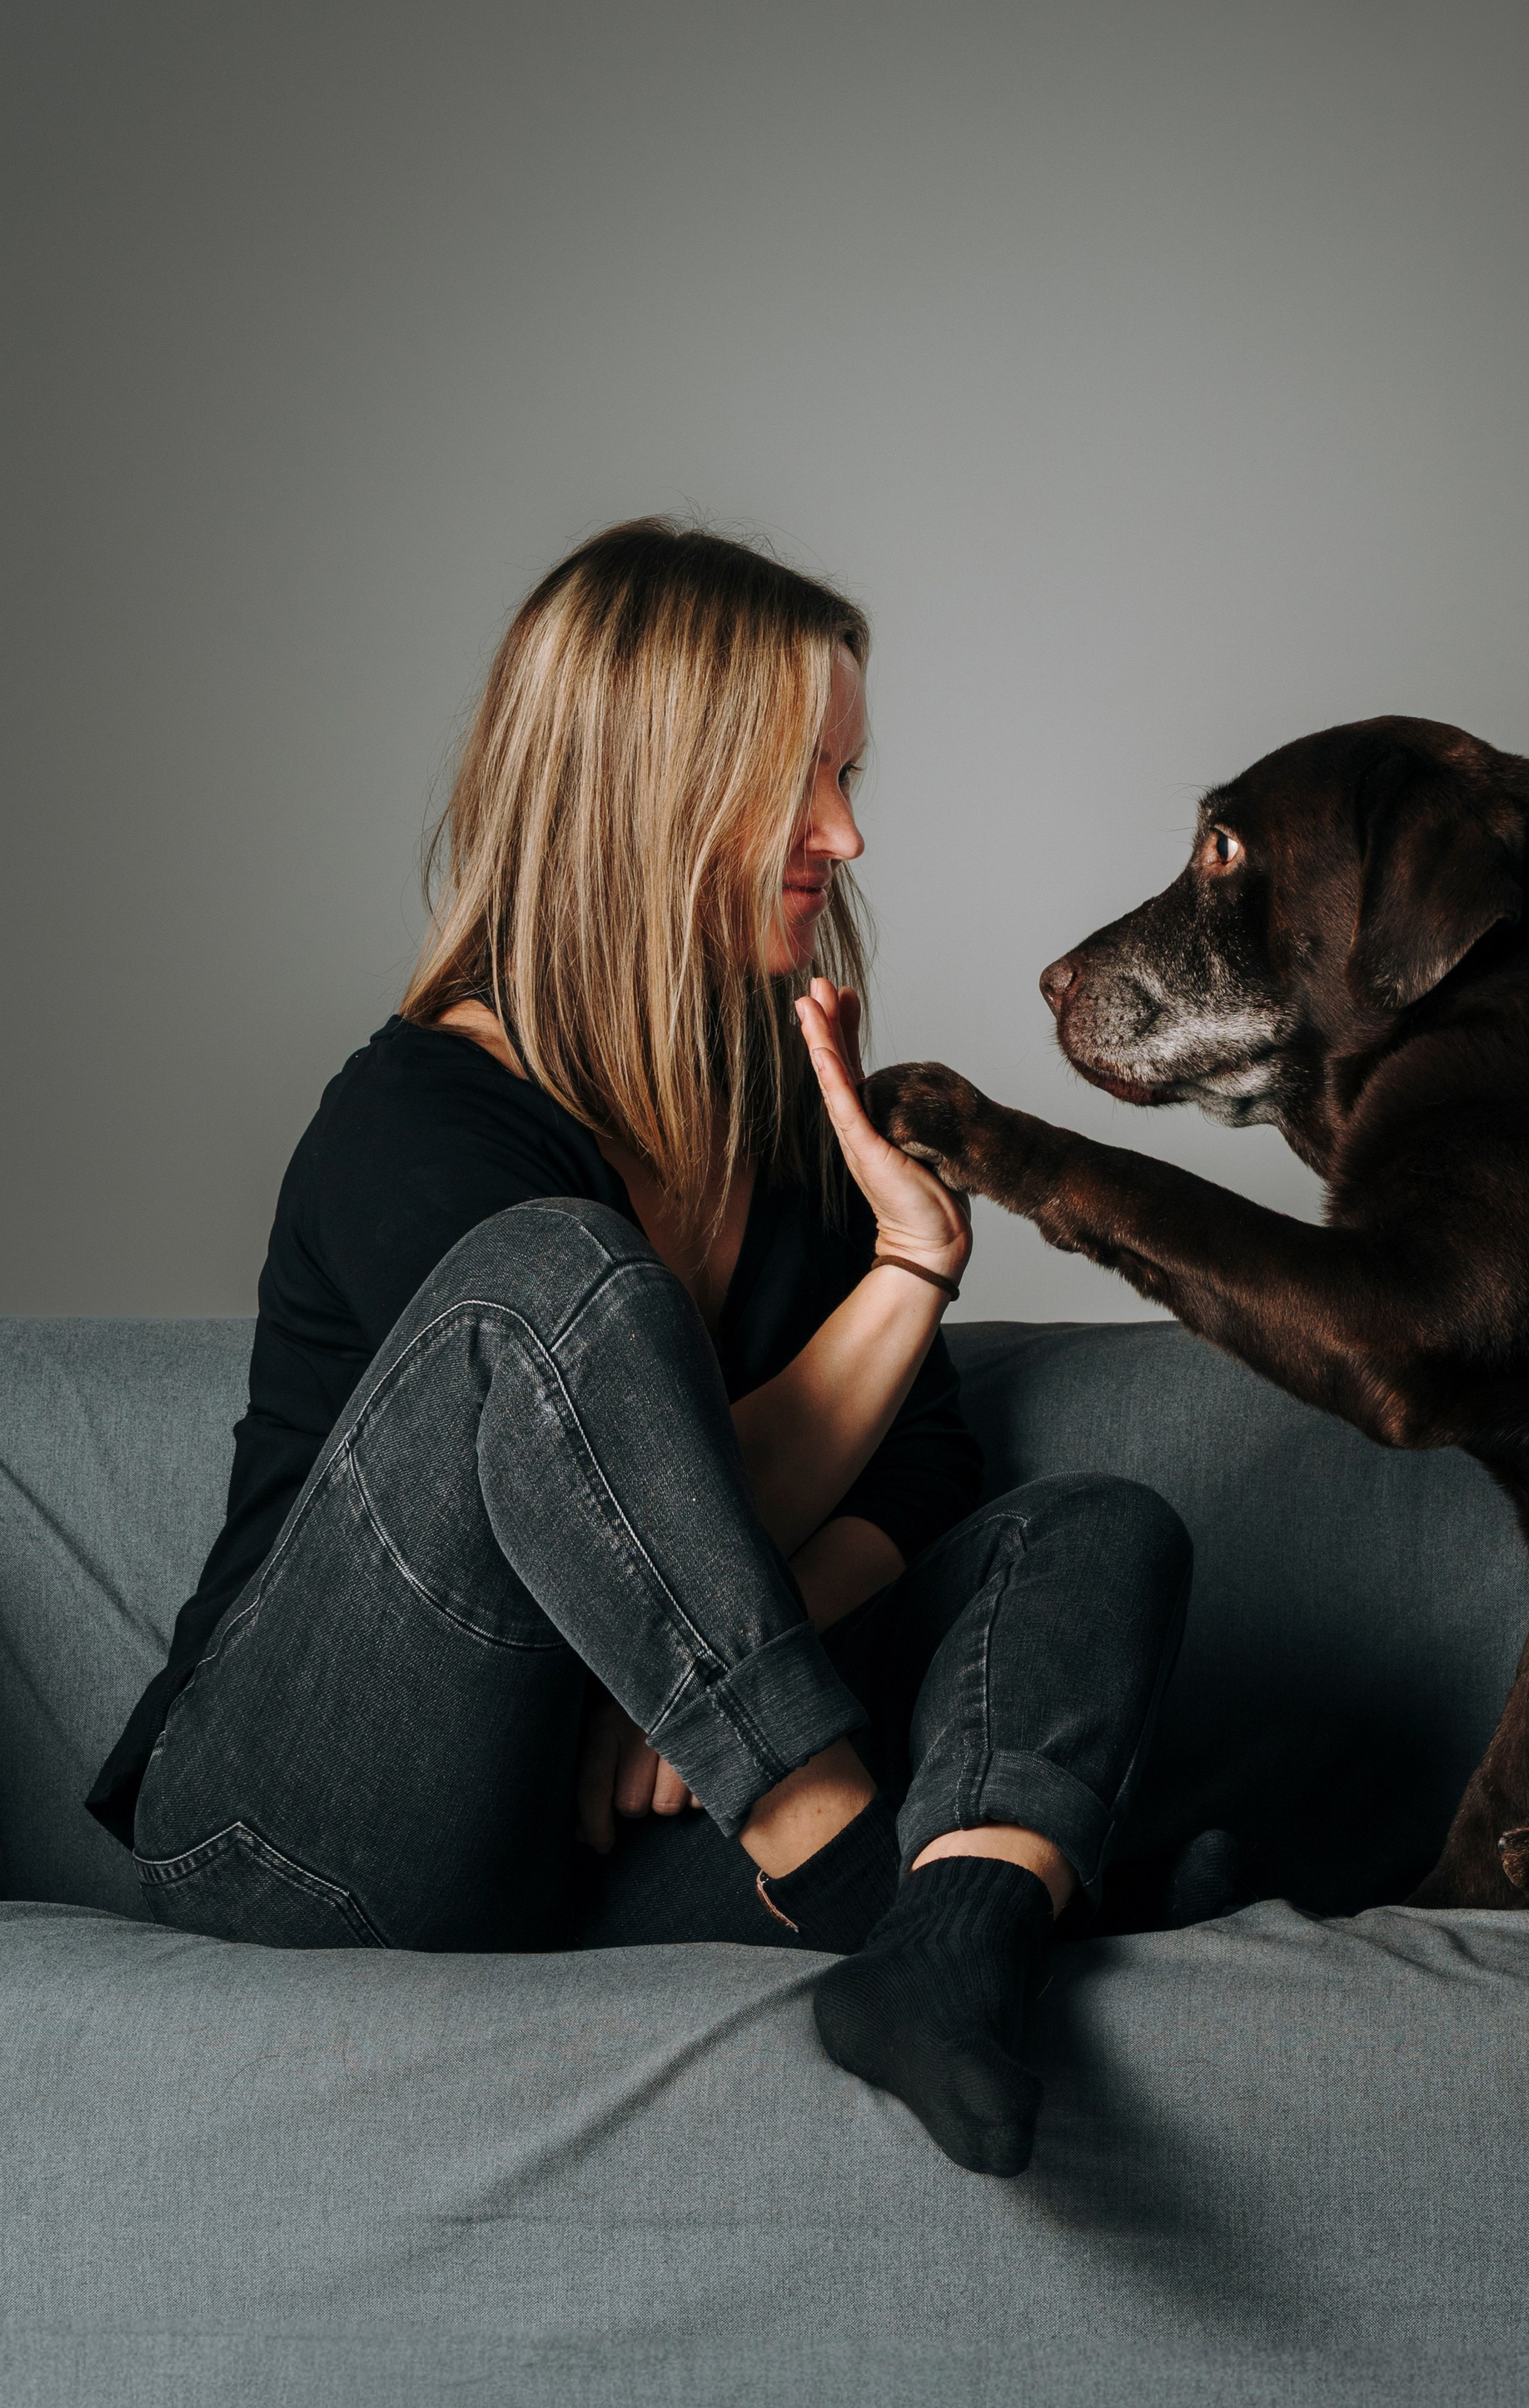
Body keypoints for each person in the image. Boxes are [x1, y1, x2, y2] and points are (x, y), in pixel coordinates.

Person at [87, 521, 1192, 2178]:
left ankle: (954, 1934)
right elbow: (591, 1501)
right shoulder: (415, 1123)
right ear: (650, 795)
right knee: (544, 1277)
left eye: (848, 774)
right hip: (302, 1836)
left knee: (1088, 1526)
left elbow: (917, 1470)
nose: (848, 832)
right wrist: (892, 1294)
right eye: (802, 781)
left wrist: (698, 1670)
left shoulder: (771, 1107)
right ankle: (857, 1878)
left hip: (579, 1842)